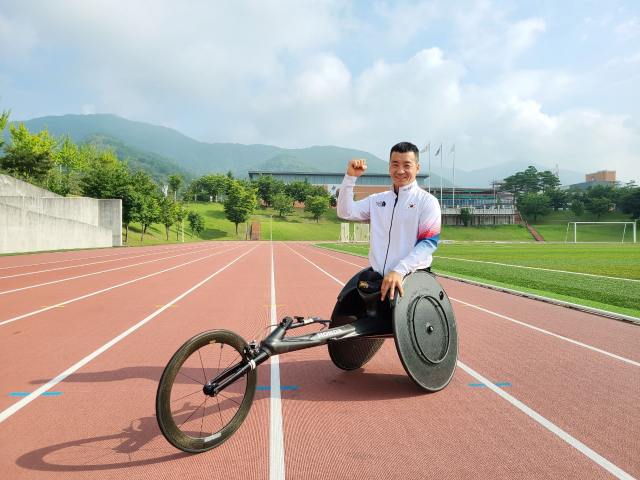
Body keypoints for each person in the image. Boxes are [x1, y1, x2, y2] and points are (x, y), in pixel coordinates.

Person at [337, 141, 441, 302]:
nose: (400, 171)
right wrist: (350, 178)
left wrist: (400, 270)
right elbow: (345, 212)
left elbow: (428, 243)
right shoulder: (377, 200)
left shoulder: (427, 201)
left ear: (417, 168)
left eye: (407, 165)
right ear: (389, 167)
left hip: (412, 280)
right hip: (379, 280)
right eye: (395, 164)